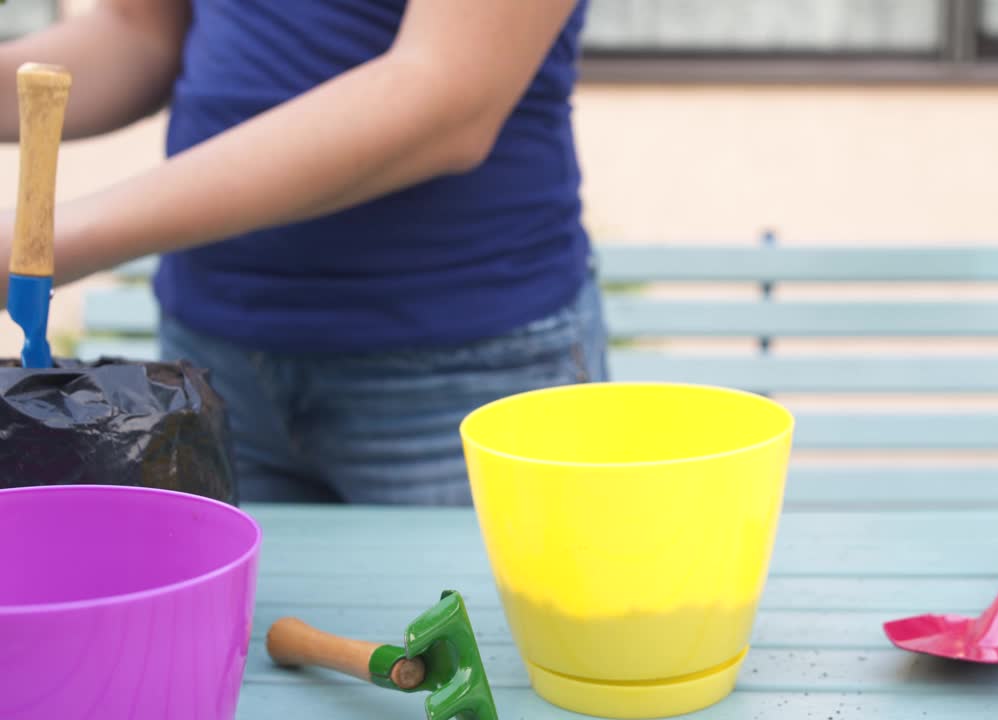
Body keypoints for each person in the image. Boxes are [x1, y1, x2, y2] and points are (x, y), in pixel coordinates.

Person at [0, 0, 608, 505]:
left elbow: (448, 94)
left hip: (465, 371)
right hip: (212, 360)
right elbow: (139, 31)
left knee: (490, 649)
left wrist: (42, 241)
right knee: (225, 646)